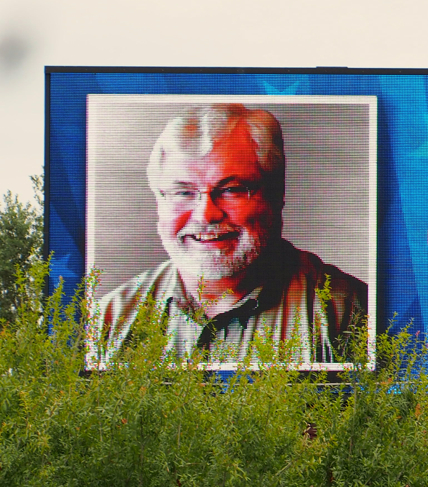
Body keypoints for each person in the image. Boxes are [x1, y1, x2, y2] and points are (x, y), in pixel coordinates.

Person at [92, 103, 368, 366]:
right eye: (183, 193)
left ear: (276, 194)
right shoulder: (109, 319)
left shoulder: (350, 314)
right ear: (159, 202)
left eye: (231, 190)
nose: (205, 215)